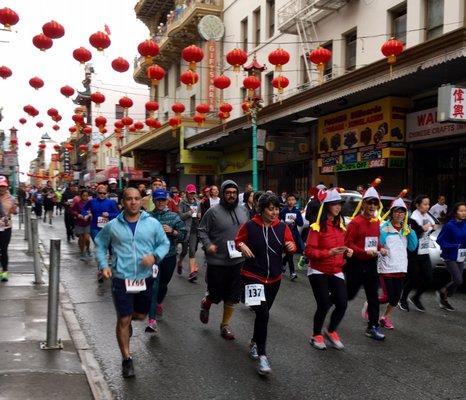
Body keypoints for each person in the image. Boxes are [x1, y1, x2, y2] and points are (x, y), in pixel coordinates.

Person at [95, 187, 170, 378]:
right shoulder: (112, 225)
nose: (134, 202)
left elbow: (164, 243)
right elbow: (100, 243)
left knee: (140, 315)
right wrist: (104, 265)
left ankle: (129, 319)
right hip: (121, 278)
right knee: (124, 318)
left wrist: (155, 256)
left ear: (141, 201)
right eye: (129, 199)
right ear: (123, 202)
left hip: (145, 278)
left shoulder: (152, 223)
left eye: (137, 198)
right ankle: (127, 359)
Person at [235, 193, 296, 375]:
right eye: (270, 208)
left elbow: (291, 243)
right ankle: (262, 356)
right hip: (252, 275)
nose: (274, 212)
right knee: (263, 313)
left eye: (277, 208)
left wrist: (291, 247)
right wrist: (241, 246)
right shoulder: (250, 226)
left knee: (264, 314)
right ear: (261, 209)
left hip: (274, 278)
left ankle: (254, 342)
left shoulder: (282, 226)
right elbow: (238, 241)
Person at [197, 180, 250, 341]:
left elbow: (248, 231)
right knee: (215, 294)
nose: (231, 195)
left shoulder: (243, 210)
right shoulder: (213, 212)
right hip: (217, 262)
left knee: (232, 296)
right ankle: (206, 303)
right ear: (222, 194)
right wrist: (208, 245)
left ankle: (225, 325)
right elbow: (202, 230)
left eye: (234, 192)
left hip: (237, 261)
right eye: (228, 193)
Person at [305, 188, 351, 350]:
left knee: (342, 303)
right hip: (318, 270)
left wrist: (347, 250)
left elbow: (343, 245)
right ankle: (316, 334)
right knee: (324, 303)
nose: (338, 207)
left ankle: (331, 331)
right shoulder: (317, 227)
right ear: (326, 206)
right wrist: (328, 253)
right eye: (334, 204)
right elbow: (309, 252)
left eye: (339, 204)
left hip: (336, 269)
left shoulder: (341, 225)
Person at [345, 179, 387, 341]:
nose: (372, 207)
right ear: (363, 204)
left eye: (375, 204)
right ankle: (330, 301)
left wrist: (380, 248)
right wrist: (363, 252)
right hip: (355, 263)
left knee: (373, 297)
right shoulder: (355, 223)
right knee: (349, 295)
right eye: (369, 203)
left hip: (370, 264)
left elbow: (375, 241)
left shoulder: (376, 222)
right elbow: (347, 244)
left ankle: (372, 327)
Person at [145, 189, 186, 333]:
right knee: (154, 286)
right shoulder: (147, 217)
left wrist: (173, 231)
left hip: (169, 256)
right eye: (158, 200)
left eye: (163, 200)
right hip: (154, 258)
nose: (161, 202)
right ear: (154, 201)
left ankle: (159, 302)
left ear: (167, 201)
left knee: (163, 284)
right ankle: (152, 320)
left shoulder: (174, 217)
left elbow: (183, 235)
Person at [378, 197, 418, 329]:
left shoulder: (406, 229)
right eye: (396, 211)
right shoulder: (384, 228)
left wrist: (410, 232)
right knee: (387, 297)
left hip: (400, 268)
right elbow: (377, 245)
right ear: (391, 213)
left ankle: (385, 318)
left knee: (395, 299)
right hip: (386, 268)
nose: (399, 214)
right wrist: (381, 249)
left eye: (402, 212)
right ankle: (371, 304)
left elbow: (412, 247)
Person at [399, 194, 437, 312]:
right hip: (413, 252)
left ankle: (416, 297)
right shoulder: (411, 218)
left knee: (429, 278)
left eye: (428, 204)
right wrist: (422, 229)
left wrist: (433, 228)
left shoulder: (428, 216)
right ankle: (403, 299)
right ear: (417, 205)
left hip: (424, 251)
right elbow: (409, 234)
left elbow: (429, 230)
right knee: (413, 278)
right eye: (425, 204)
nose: (427, 206)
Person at [81, 184, 120, 281]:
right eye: (100, 193)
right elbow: (84, 209)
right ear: (97, 193)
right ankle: (101, 269)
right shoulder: (92, 201)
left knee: (108, 247)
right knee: (100, 247)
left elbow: (118, 214)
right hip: (95, 228)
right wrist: (86, 214)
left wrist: (109, 214)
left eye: (104, 193)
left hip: (108, 228)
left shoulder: (111, 202)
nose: (102, 195)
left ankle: (109, 264)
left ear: (106, 193)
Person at [436, 202, 466, 311]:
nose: (464, 213)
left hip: (461, 257)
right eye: (461, 211)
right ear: (455, 212)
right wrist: (453, 246)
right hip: (449, 256)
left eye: (465, 211)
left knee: (457, 281)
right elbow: (440, 240)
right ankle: (442, 292)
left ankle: (444, 299)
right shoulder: (449, 225)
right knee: (458, 280)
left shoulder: (465, 224)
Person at [177, 184, 200, 281]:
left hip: (195, 229)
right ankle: (180, 262)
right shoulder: (182, 203)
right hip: (185, 229)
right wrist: (190, 213)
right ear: (187, 193)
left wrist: (199, 215)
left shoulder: (198, 203)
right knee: (184, 251)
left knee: (192, 251)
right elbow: (180, 216)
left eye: (193, 193)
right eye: (190, 193)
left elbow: (199, 214)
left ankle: (192, 273)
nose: (192, 195)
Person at [279, 193, 304, 280]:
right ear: (286, 201)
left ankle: (282, 263)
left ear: (295, 201)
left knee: (291, 252)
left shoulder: (297, 211)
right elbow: (277, 221)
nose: (291, 202)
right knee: (290, 253)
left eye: (292, 200)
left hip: (294, 234)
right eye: (289, 200)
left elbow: (301, 223)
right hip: (286, 234)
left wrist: (295, 219)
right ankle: (292, 272)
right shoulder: (283, 211)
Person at [0, 176, 17, 282]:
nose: (1, 188)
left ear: (7, 187)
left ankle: (4, 271)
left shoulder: (11, 198)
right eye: (0, 186)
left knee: (4, 250)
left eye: (3, 186)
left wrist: (15, 209)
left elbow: (15, 211)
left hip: (6, 227)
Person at [71, 189, 92, 261]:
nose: (85, 197)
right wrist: (78, 214)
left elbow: (93, 211)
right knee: (81, 238)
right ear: (81, 196)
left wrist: (89, 214)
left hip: (87, 223)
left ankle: (88, 249)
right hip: (79, 223)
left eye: (86, 195)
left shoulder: (90, 203)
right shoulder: (77, 203)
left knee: (87, 238)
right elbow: (72, 211)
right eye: (84, 195)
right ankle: (82, 251)